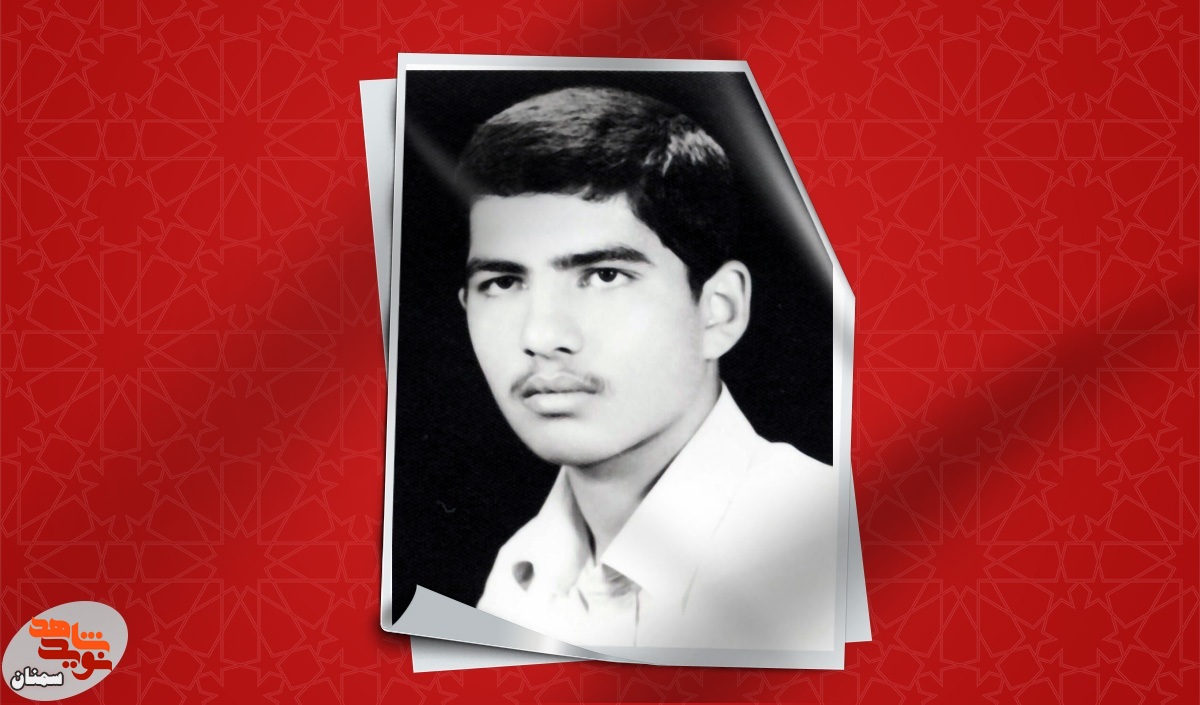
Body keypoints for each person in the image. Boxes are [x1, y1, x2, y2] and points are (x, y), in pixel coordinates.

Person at [455, 86, 838, 651]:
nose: (540, 336)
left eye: (604, 275)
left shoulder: (840, 550)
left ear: (719, 311)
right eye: (504, 282)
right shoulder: (518, 580)